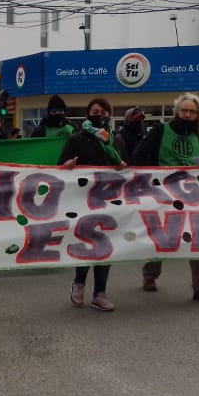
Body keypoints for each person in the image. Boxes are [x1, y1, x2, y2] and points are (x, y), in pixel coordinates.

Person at [132, 92, 199, 303]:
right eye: (184, 110)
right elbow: (139, 155)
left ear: (197, 114)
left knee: (198, 235)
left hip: (192, 193)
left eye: (192, 112)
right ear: (177, 112)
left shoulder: (198, 136)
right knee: (164, 235)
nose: (188, 115)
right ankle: (150, 275)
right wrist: (158, 175)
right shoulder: (160, 130)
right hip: (164, 192)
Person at [59, 97, 126, 311]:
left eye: (104, 112)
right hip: (84, 198)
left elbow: (127, 163)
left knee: (106, 244)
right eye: (96, 112)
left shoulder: (115, 140)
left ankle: (100, 293)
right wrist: (66, 166)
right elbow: (60, 164)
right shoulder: (77, 139)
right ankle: (79, 283)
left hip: (110, 197)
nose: (100, 115)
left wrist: (124, 165)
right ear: (88, 114)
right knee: (87, 242)